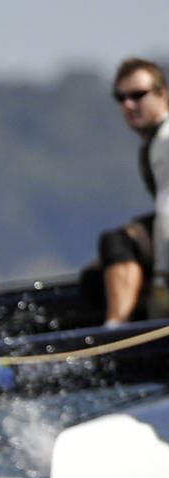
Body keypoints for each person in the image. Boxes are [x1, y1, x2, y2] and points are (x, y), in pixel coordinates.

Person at [97, 58, 169, 326]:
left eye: (138, 95)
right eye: (121, 98)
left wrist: (161, 280)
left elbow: (167, 211)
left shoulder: (165, 140)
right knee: (95, 276)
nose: (128, 105)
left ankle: (117, 329)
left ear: (162, 94)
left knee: (117, 243)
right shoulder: (155, 140)